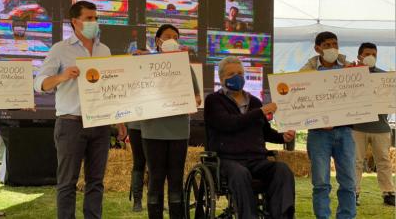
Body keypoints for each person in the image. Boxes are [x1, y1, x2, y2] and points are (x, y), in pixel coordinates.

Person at [33, 1, 126, 218]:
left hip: (100, 124)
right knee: (67, 183)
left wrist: (120, 119)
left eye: (96, 18)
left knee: (96, 182)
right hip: (70, 123)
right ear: (75, 22)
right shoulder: (60, 49)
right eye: (89, 18)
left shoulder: (104, 50)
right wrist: (62, 76)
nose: (94, 22)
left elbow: (109, 89)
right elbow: (39, 83)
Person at [204, 56, 296, 219]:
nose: (237, 76)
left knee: (282, 170)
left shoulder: (255, 102)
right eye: (231, 73)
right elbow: (228, 123)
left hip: (256, 159)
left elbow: (265, 132)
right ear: (221, 77)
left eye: (240, 73)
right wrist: (260, 112)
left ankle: (281, 216)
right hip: (227, 160)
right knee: (240, 174)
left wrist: (283, 137)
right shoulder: (213, 101)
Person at [140, 24, 201, 219]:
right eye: (168, 36)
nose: (172, 40)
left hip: (179, 130)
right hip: (152, 130)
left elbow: (198, 98)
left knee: (176, 179)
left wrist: (186, 102)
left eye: (176, 36)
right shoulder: (143, 64)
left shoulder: (185, 67)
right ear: (158, 41)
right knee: (156, 179)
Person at [300, 31, 356, 219]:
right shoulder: (306, 72)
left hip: (345, 131)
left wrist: (360, 73)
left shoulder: (350, 69)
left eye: (335, 44)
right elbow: (299, 99)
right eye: (327, 45)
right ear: (317, 48)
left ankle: (347, 216)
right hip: (318, 133)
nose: (332, 48)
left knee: (349, 182)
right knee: (321, 183)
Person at [352, 42, 395, 206]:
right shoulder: (350, 77)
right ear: (359, 56)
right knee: (355, 161)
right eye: (367, 54)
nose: (371, 57)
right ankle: (353, 193)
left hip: (381, 127)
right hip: (357, 128)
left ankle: (389, 193)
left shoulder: (385, 77)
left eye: (374, 55)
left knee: (384, 161)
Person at [127, 121, 146, 212]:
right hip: (136, 126)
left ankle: (156, 200)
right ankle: (137, 201)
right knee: (139, 163)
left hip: (155, 127)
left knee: (155, 164)